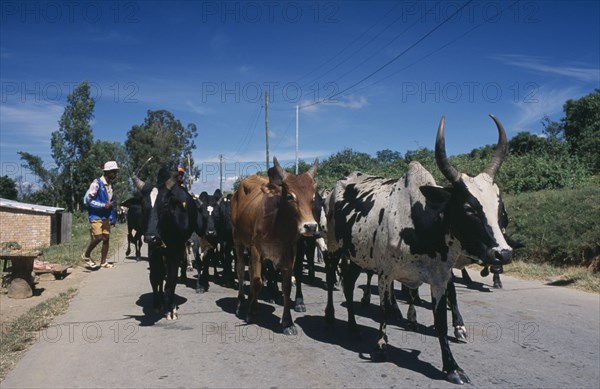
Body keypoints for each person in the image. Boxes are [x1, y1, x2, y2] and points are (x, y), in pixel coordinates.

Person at [82, 161, 119, 269]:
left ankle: (103, 262)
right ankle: (86, 255)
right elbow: (89, 200)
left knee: (106, 238)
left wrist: (112, 218)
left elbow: (111, 204)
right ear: (107, 172)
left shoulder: (110, 186)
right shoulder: (96, 183)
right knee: (98, 238)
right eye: (113, 172)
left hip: (106, 217)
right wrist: (103, 205)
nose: (115, 174)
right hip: (95, 216)